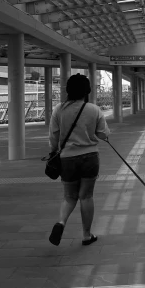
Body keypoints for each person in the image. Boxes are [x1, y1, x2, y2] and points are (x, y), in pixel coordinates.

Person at [48, 73, 110, 247]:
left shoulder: (58, 110)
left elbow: (53, 136)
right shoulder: (93, 109)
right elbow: (103, 134)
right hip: (90, 158)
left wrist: (54, 152)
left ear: (68, 90)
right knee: (86, 196)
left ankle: (61, 222)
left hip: (67, 158)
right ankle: (86, 235)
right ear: (87, 91)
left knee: (69, 197)